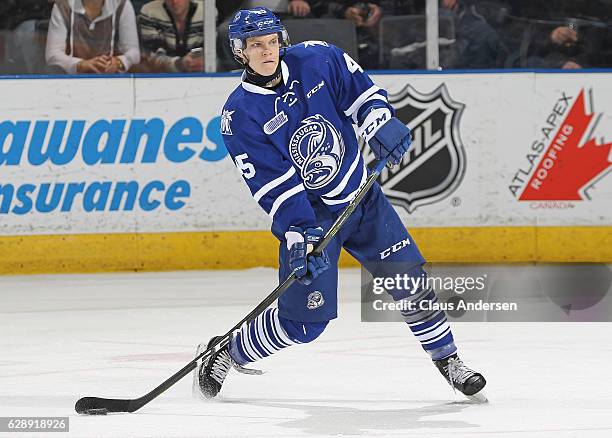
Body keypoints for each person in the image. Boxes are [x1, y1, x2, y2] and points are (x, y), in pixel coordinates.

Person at [194, 7, 487, 400]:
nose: (267, 51)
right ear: (240, 52)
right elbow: (273, 186)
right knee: (304, 325)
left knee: (410, 281)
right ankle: (226, 351)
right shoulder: (239, 115)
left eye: (271, 42)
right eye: (255, 45)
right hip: (314, 219)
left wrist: (379, 123)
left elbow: (362, 96)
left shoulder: (318, 58)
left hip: (362, 198)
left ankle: (448, 360)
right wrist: (299, 237)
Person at [45, 0, 140, 74]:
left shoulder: (122, 5)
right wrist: (80, 65)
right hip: (70, 81)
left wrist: (118, 62)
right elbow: (52, 55)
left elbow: (134, 53)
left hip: (110, 80)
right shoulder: (63, 6)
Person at [137, 0, 204, 73]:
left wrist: (201, 61)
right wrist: (180, 64)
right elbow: (152, 59)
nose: (174, 1)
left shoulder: (206, 12)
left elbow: (211, 56)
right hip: (159, 77)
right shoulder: (149, 13)